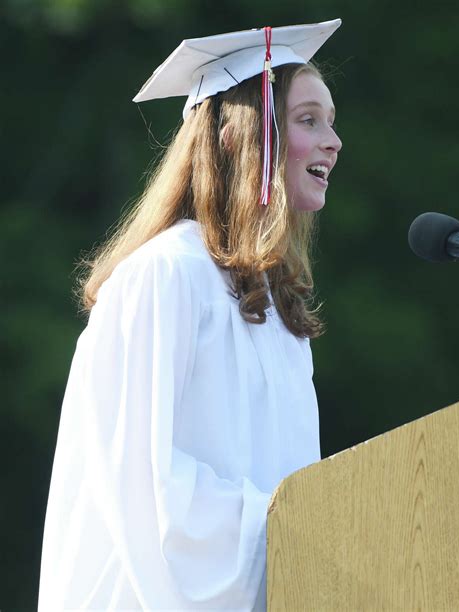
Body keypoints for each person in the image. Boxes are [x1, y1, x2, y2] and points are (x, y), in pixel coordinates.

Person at [38, 19, 343, 612]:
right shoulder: (164, 276)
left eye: (331, 121)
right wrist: (305, 530)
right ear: (238, 136)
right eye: (309, 120)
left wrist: (324, 533)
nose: (333, 141)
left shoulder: (278, 309)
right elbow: (147, 491)